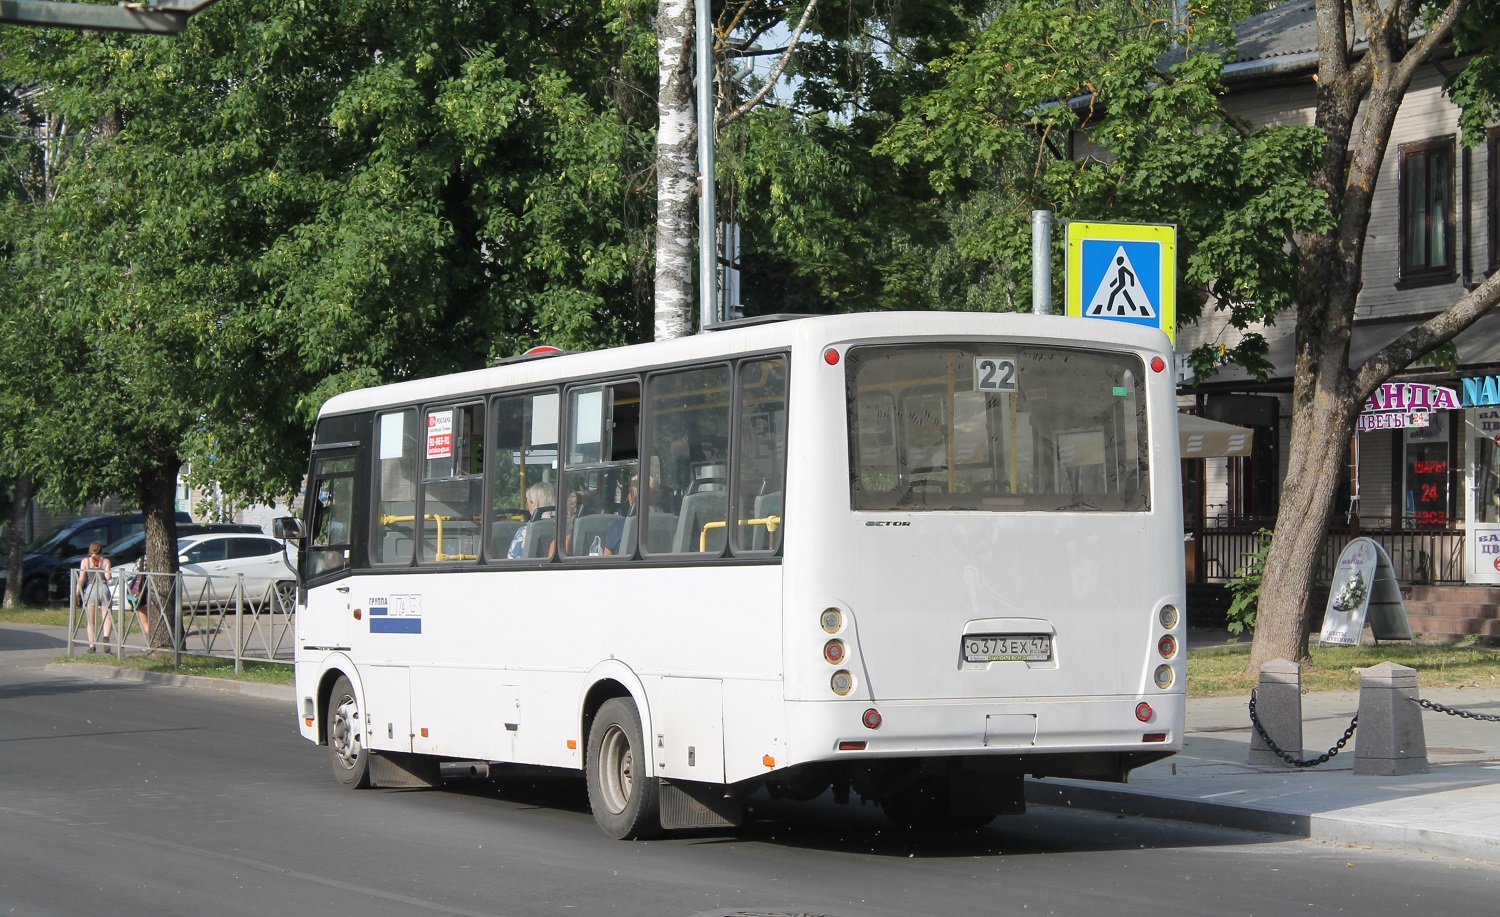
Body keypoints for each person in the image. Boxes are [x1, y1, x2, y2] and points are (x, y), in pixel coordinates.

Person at [77, 541, 114, 654]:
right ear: (101, 550)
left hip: (91, 588)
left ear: (90, 550)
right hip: (103, 588)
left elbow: (82, 579)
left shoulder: (85, 561)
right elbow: (108, 577)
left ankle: (92, 646)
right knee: (107, 617)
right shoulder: (106, 561)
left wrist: (77, 593)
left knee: (91, 620)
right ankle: (106, 637)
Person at [507, 481, 556, 559]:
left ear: (534, 503)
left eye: (529, 502)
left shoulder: (525, 532)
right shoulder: (565, 526)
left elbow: (512, 560)